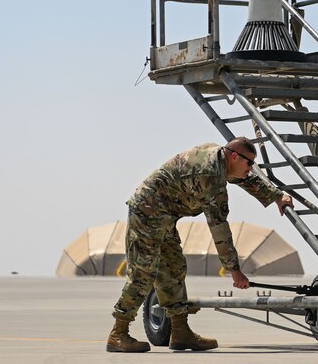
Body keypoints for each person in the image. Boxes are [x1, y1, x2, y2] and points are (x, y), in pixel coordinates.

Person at [106, 138, 294, 353]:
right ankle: (118, 333)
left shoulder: (222, 160)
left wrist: (276, 196)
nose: (251, 168)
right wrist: (234, 270)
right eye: (249, 163)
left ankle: (180, 332)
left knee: (173, 269)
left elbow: (245, 178)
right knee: (143, 272)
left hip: (165, 214)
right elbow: (219, 227)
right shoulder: (210, 176)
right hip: (147, 212)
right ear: (234, 156)